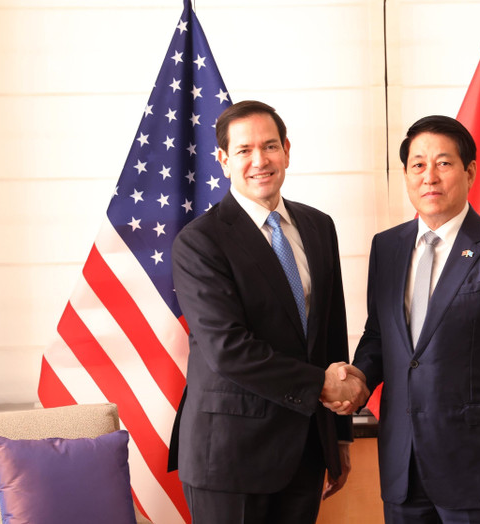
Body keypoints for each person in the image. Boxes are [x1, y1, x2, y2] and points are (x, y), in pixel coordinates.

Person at [335, 115, 480, 523]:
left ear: (469, 171)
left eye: (443, 163)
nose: (429, 176)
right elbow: (382, 335)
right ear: (405, 175)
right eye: (417, 165)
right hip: (403, 466)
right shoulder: (388, 247)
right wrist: (359, 378)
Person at [168, 100, 369, 524]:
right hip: (230, 456)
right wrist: (321, 386)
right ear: (223, 160)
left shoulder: (318, 227)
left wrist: (340, 437)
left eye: (270, 146)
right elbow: (228, 349)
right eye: (244, 150)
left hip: (306, 451)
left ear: (287, 151)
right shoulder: (199, 242)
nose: (259, 160)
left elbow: (330, 333)